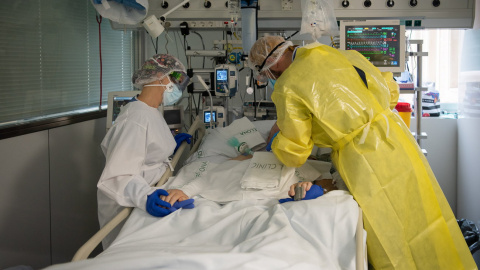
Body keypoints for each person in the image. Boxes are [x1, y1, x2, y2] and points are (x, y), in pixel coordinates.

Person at [247, 36, 476, 269]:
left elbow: (294, 152)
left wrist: (277, 138)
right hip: (396, 139)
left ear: (272, 64)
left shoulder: (288, 86)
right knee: (425, 214)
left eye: (265, 73)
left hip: (364, 158)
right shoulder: (339, 54)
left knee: (390, 231)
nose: (270, 78)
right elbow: (390, 89)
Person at [97, 54, 193, 249]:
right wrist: (145, 197)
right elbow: (118, 174)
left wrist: (170, 146)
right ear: (160, 77)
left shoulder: (149, 110)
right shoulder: (135, 119)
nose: (178, 88)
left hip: (153, 185)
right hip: (126, 203)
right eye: (176, 80)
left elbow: (146, 151)